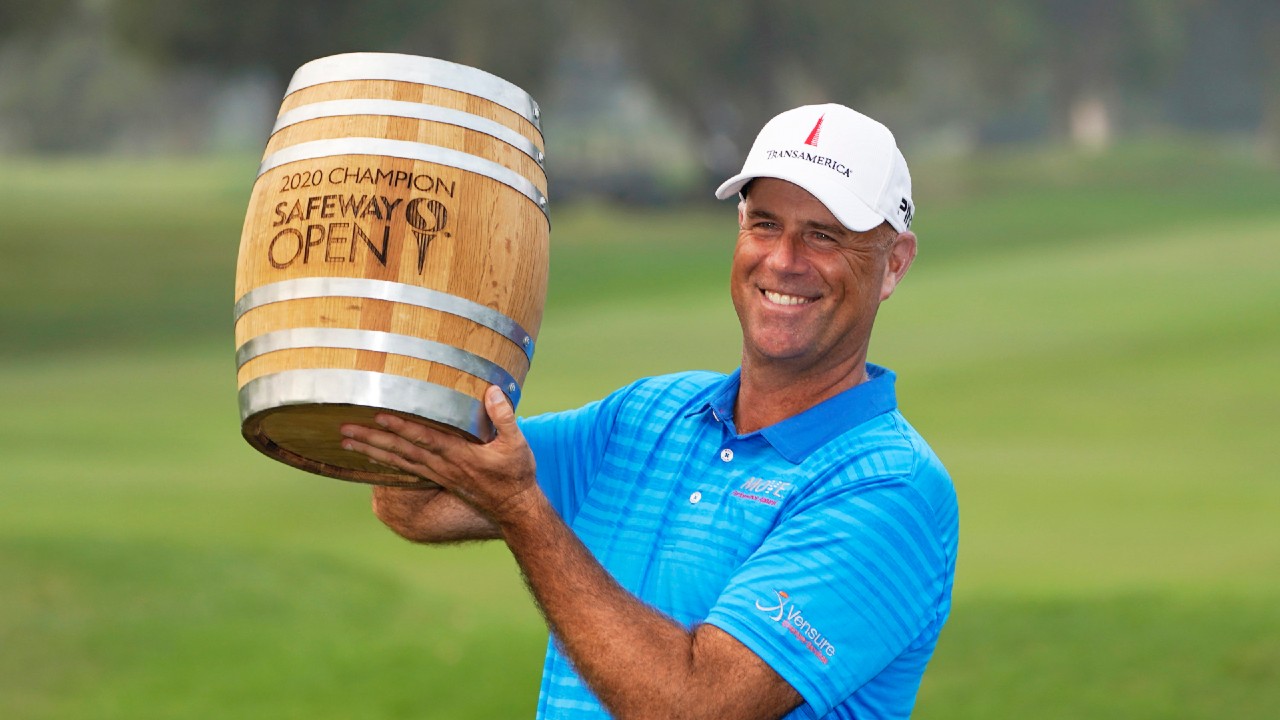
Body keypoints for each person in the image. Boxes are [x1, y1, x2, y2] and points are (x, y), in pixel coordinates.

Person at [339, 103, 959, 720]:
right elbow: (417, 502)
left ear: (894, 263)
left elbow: (693, 706)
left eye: (824, 235)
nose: (784, 259)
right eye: (765, 223)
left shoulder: (892, 489)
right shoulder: (648, 415)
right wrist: (411, 314)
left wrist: (523, 512)